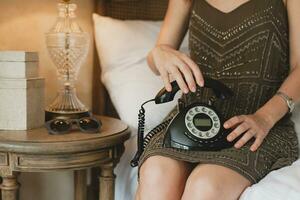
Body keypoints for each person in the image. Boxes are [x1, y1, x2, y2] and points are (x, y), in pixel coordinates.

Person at [135, 0, 300, 200]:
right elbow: (159, 57)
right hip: (191, 117)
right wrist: (159, 52)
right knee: (156, 174)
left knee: (205, 185)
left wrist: (265, 117)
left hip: (256, 124)